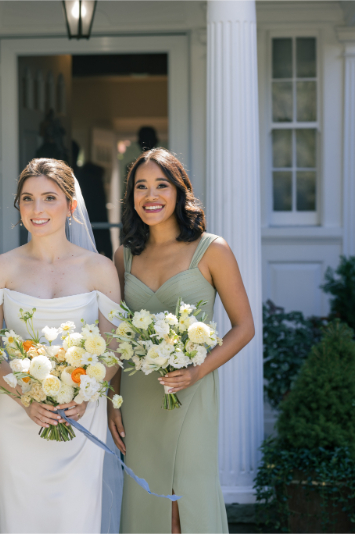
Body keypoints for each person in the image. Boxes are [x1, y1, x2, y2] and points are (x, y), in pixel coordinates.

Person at [0, 158, 122, 533]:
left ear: (70, 206)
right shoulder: (1, 268)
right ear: (18, 207)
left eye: (49, 198)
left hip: (81, 413)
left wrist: (86, 393)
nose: (37, 209)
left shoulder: (99, 267)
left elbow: (115, 347)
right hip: (17, 417)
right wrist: (26, 398)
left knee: (77, 519)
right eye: (28, 199)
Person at [109, 148, 255, 534]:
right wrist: (113, 401)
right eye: (141, 186)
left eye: (161, 185)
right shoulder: (124, 256)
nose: (150, 195)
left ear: (179, 192)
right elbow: (116, 337)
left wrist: (197, 371)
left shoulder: (212, 249)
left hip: (191, 391)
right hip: (138, 397)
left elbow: (244, 327)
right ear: (131, 196)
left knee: (184, 499)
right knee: (146, 496)